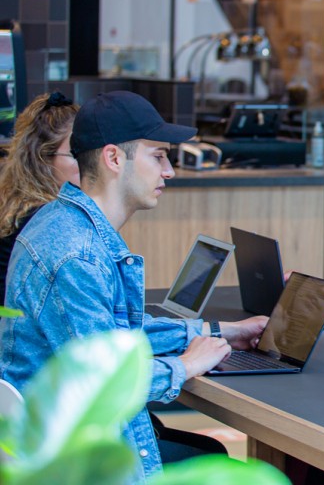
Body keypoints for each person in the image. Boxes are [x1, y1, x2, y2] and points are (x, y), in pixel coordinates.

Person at [0, 91, 269, 482]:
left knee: (212, 454)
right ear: (113, 159)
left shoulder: (62, 221)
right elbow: (103, 381)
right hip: (72, 464)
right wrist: (188, 363)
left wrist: (220, 331)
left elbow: (114, 338)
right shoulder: (78, 255)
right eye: (158, 156)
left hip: (53, 443)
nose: (170, 171)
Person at [0, 92, 80, 304]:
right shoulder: (46, 219)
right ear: (43, 159)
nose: (88, 163)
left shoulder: (14, 202)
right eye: (76, 154)